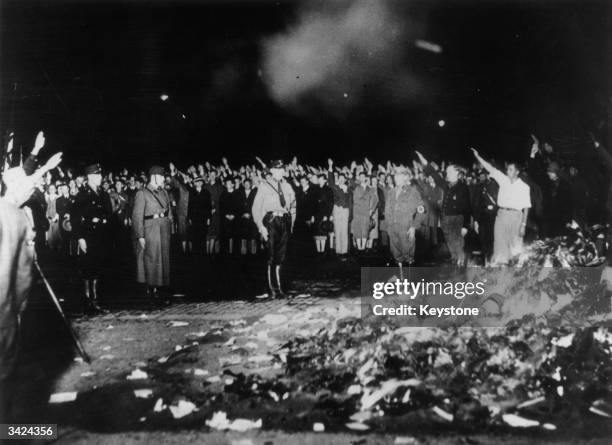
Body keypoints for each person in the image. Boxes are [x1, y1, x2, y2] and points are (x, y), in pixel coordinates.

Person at [471, 148, 531, 265]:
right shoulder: (503, 179)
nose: (507, 171)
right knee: (499, 244)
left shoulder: (524, 187)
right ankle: (500, 273)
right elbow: (490, 168)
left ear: (517, 172)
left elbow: (526, 207)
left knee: (515, 248)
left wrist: (523, 225)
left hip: (516, 217)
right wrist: (478, 157)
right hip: (502, 215)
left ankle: (515, 272)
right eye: (507, 169)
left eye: (510, 169)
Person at [416, 151, 471, 266]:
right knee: (451, 245)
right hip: (445, 219)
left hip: (457, 220)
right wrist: (423, 161)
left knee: (458, 245)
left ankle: (461, 269)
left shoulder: (463, 188)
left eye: (450, 171)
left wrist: (465, 226)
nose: (447, 173)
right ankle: (455, 263)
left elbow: (467, 208)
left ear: (457, 173)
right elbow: (434, 173)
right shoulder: (446, 185)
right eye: (447, 171)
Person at [72, 163, 113, 313]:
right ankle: (88, 302)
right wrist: (80, 238)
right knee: (88, 268)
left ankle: (96, 300)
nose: (100, 177)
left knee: (98, 267)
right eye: (97, 175)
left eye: (100, 175)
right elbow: (75, 220)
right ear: (90, 176)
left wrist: (104, 221)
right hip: (88, 235)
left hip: (101, 236)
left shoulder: (103, 194)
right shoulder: (82, 195)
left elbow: (109, 213)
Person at [251, 160, 296, 298]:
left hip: (284, 221)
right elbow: (256, 208)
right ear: (272, 171)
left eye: (281, 170)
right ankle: (271, 289)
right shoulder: (264, 187)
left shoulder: (288, 186)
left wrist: (291, 224)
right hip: (270, 222)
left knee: (280, 256)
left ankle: (279, 288)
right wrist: (261, 227)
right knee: (270, 256)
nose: (280, 172)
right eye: (277, 170)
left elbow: (293, 206)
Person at [131, 165, 173, 305]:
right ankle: (151, 292)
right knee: (152, 260)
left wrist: (170, 225)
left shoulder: (164, 192)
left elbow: (169, 210)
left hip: (164, 229)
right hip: (150, 229)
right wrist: (140, 235)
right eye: (161, 176)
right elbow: (137, 216)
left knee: (163, 260)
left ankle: (160, 291)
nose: (163, 179)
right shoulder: (142, 193)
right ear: (154, 176)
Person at [385, 166, 425, 273]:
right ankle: (401, 280)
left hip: (406, 228)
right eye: (395, 175)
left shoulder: (413, 192)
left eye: (399, 175)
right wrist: (388, 227)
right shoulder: (391, 192)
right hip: (393, 228)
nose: (396, 178)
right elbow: (387, 211)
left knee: (408, 255)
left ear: (405, 177)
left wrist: (414, 226)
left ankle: (409, 282)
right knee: (396, 255)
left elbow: (421, 210)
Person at [327, 159, 351, 257]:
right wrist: (330, 166)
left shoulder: (349, 189)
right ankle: (338, 251)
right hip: (337, 210)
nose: (341, 179)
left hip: (345, 211)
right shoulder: (336, 187)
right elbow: (330, 180)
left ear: (345, 180)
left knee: (344, 231)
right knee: (337, 230)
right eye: (339, 178)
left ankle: (344, 251)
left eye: (343, 178)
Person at [351, 171, 379, 251]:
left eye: (364, 177)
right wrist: (364, 199)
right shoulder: (357, 188)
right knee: (358, 231)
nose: (362, 178)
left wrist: (371, 210)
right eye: (361, 177)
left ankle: (363, 248)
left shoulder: (369, 189)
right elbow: (355, 200)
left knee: (365, 231)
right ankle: (359, 248)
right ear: (359, 178)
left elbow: (376, 200)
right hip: (357, 213)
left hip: (366, 213)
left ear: (366, 178)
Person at [188, 177, 211, 254]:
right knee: (195, 236)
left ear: (202, 183)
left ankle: (203, 254)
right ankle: (195, 254)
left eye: (200, 182)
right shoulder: (192, 192)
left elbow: (209, 206)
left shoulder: (206, 192)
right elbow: (190, 206)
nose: (198, 183)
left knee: (203, 236)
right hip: (194, 218)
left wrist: (208, 218)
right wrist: (190, 218)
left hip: (203, 218)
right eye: (196, 182)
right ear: (194, 184)